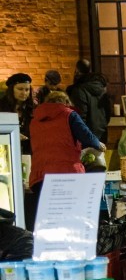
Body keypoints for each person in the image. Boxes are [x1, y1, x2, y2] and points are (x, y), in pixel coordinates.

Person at [27, 91, 105, 230]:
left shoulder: (34, 120)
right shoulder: (69, 114)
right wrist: (99, 145)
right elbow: (87, 136)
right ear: (66, 102)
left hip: (40, 177)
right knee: (70, 220)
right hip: (67, 175)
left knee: (50, 220)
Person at [66, 59, 111, 142]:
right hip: (101, 134)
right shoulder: (102, 88)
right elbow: (107, 112)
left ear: (77, 70)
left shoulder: (79, 90)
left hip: (86, 137)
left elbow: (79, 116)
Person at [0, 73, 35, 155]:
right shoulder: (1, 106)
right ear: (11, 89)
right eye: (20, 89)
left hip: (27, 149)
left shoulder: (32, 108)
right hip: (5, 147)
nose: (24, 93)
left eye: (27, 90)